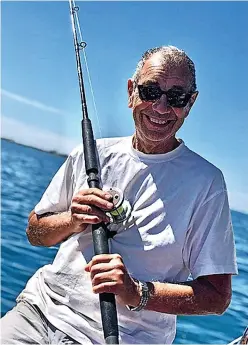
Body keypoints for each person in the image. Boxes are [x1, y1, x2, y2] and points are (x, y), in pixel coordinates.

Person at [1, 45, 238, 345]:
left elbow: (216, 297)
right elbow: (36, 232)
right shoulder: (91, 154)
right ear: (131, 91)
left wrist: (136, 291)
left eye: (176, 97)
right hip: (39, 312)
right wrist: (72, 220)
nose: (161, 108)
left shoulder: (207, 184)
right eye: (150, 91)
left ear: (190, 103)